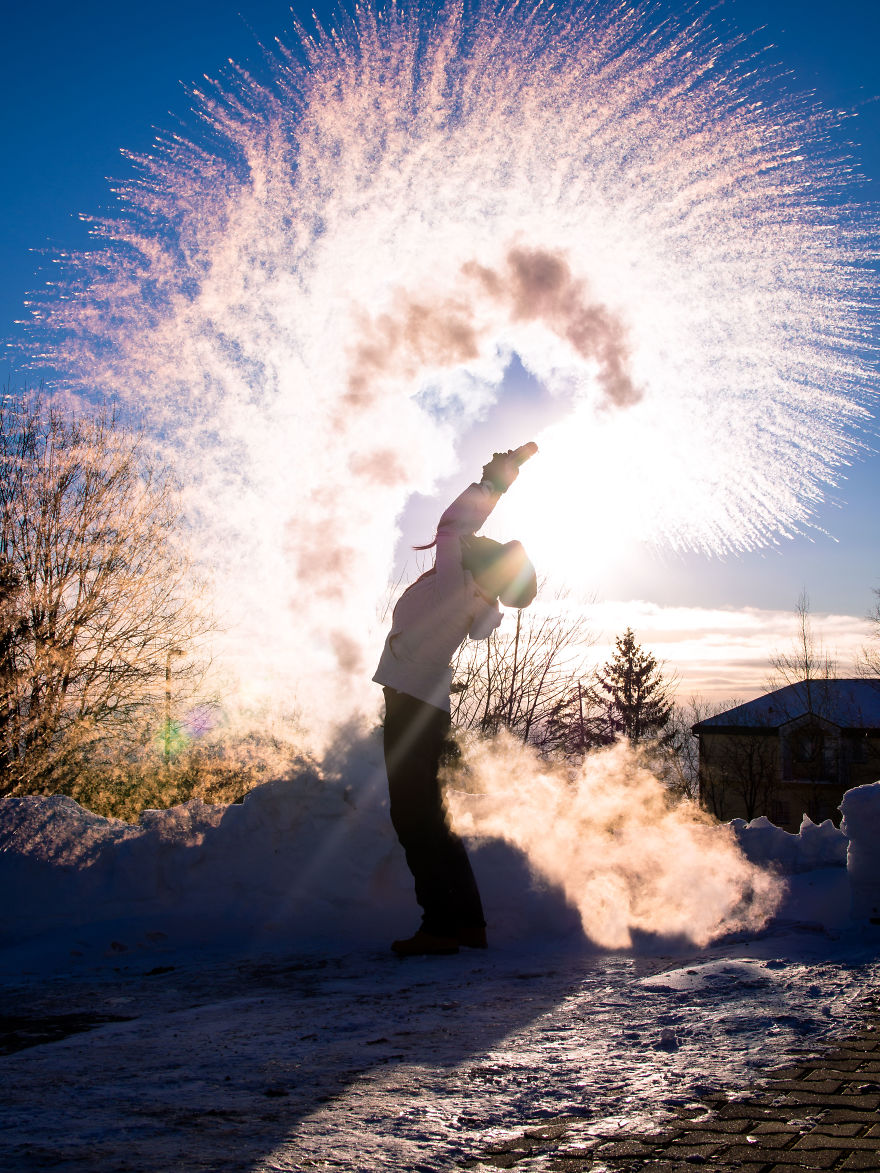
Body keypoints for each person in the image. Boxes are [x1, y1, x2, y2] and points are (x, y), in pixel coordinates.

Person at [373, 448, 538, 956]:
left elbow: (451, 525)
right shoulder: (472, 597)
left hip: (411, 707)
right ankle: (467, 924)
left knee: (413, 819)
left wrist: (496, 478)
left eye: (483, 543)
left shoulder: (455, 583)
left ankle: (441, 927)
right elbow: (458, 530)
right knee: (431, 818)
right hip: (426, 707)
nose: (476, 539)